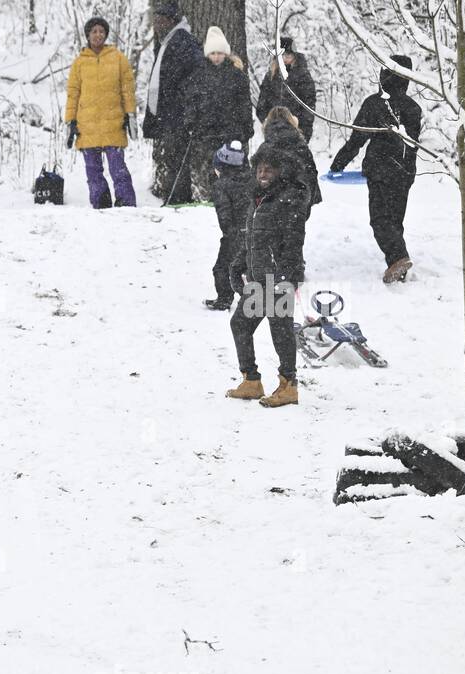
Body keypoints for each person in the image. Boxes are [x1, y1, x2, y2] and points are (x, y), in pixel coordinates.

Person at [225, 146, 309, 408]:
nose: (263, 173)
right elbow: (251, 238)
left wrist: (285, 276)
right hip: (259, 279)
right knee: (240, 325)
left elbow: (294, 243)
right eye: (259, 168)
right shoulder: (258, 199)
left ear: (280, 172)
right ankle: (251, 381)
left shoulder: (288, 200)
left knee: (281, 331)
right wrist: (237, 265)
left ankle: (289, 386)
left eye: (269, 169)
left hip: (278, 279)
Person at [330, 54, 422, 283]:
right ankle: (397, 264)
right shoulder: (413, 108)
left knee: (380, 220)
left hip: (381, 170)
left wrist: (338, 164)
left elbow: (357, 138)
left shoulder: (374, 103)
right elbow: (412, 144)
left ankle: (398, 257)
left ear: (384, 75)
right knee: (394, 219)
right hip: (405, 171)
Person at [64, 16, 137, 209]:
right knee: (93, 171)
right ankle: (101, 204)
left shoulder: (118, 58)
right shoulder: (79, 63)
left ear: (106, 34)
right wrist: (71, 121)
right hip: (86, 126)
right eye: (94, 31)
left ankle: (126, 204)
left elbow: (127, 90)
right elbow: (73, 94)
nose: (98, 35)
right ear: (88, 35)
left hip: (114, 123)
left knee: (118, 169)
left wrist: (130, 115)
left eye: (101, 31)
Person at [142, 2, 202, 204]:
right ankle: (174, 197)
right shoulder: (167, 41)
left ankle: (178, 198)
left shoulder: (182, 41)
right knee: (172, 158)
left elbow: (192, 75)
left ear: (170, 20)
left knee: (177, 159)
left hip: (178, 113)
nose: (156, 24)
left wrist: (181, 101)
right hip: (169, 112)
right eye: (155, 19)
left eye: (160, 19)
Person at [184, 27, 253, 203]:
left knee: (232, 170)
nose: (216, 57)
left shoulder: (237, 76)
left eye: (220, 53)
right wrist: (191, 124)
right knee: (205, 170)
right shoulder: (198, 76)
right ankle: (205, 199)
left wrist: (246, 128)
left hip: (231, 132)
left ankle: (235, 200)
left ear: (226, 53)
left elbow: (244, 104)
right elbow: (191, 102)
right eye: (213, 53)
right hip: (204, 133)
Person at [204, 141, 252, 310]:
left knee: (222, 268)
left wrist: (229, 233)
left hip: (235, 234)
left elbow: (224, 214)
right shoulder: (251, 178)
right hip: (255, 230)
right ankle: (255, 296)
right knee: (249, 266)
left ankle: (225, 298)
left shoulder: (221, 186)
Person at [255, 37, 317, 143]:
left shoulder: (303, 76)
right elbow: (262, 102)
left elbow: (309, 105)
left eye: (288, 55)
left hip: (296, 130)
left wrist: (301, 126)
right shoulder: (271, 76)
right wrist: (267, 120)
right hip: (273, 130)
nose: (284, 59)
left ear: (294, 56)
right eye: (281, 55)